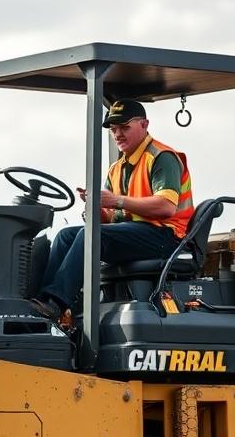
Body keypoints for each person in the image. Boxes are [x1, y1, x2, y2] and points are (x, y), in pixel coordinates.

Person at [30, 98, 194, 320]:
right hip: (135, 233)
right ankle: (40, 303)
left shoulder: (161, 157)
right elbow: (109, 219)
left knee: (90, 236)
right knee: (66, 235)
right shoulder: (117, 168)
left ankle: (57, 304)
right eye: (114, 129)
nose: (118, 134)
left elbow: (166, 207)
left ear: (144, 125)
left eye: (124, 127)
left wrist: (115, 200)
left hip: (166, 236)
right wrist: (95, 208)